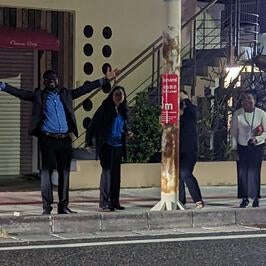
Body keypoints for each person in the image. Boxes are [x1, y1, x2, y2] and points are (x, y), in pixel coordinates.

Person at [0, 68, 118, 215]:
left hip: (64, 140)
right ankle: (47, 207)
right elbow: (21, 93)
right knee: (46, 174)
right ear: (44, 82)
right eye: (48, 79)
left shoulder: (66, 94)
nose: (51, 81)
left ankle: (63, 206)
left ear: (58, 80)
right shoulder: (39, 96)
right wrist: (3, 85)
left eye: (54, 78)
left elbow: (84, 89)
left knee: (64, 173)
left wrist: (104, 80)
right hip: (47, 139)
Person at [85, 86, 132, 211]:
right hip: (107, 145)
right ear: (112, 96)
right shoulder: (104, 108)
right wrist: (88, 142)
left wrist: (128, 133)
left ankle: (114, 202)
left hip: (118, 146)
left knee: (116, 176)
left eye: (121, 95)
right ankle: (104, 202)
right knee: (107, 174)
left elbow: (124, 127)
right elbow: (92, 126)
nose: (118, 97)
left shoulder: (123, 110)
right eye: (116, 94)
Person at [231, 90, 266, 208]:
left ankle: (255, 197)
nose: (247, 101)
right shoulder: (238, 114)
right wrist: (234, 148)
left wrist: (258, 138)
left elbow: (265, 132)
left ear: (254, 100)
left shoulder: (261, 114)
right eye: (245, 98)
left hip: (256, 146)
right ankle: (244, 198)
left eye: (250, 98)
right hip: (242, 146)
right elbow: (234, 133)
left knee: (254, 172)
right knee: (242, 173)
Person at [179, 90, 204, 209]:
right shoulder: (174, 113)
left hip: (190, 149)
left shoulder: (189, 112)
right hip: (176, 149)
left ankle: (198, 199)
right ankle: (180, 200)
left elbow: (194, 112)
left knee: (185, 172)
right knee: (177, 175)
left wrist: (185, 99)